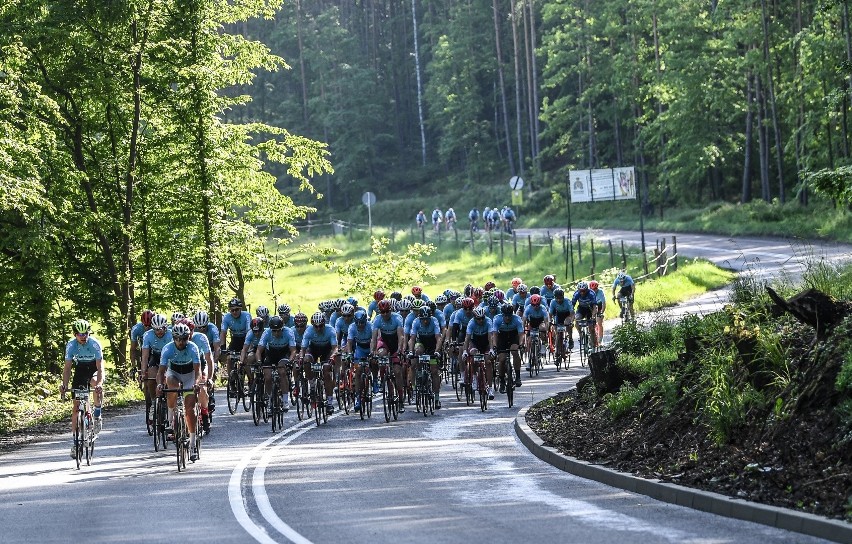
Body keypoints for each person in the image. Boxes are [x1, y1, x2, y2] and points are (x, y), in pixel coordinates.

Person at [157, 322, 203, 462]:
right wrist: (159, 384)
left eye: (184, 339)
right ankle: (171, 419)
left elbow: (198, 371)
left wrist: (196, 384)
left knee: (190, 409)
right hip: (174, 373)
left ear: (188, 338)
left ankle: (193, 443)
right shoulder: (167, 349)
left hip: (189, 375)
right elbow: (161, 371)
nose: (181, 342)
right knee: (172, 385)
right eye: (177, 338)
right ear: (173, 338)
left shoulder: (193, 348)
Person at [60, 319, 105, 458]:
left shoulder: (94, 344)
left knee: (96, 387)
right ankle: (75, 443)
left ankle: (97, 415)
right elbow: (67, 368)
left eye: (85, 333)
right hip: (81, 370)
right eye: (80, 334)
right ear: (75, 334)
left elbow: (100, 367)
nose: (83, 336)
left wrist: (99, 384)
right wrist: (64, 385)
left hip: (94, 367)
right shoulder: (71, 345)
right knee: (76, 407)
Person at [298, 312, 339, 414]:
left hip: (326, 350)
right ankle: (312, 384)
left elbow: (335, 348)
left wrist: (332, 357)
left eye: (321, 326)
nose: (318, 328)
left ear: (324, 324)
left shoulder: (330, 330)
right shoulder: (309, 331)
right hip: (314, 350)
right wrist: (301, 357)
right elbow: (303, 349)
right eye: (316, 326)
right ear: (313, 325)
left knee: (326, 372)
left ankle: (329, 403)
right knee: (306, 361)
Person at [255, 315, 297, 413]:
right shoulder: (266, 333)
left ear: (283, 328)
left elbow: (293, 351)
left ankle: (285, 401)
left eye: (279, 330)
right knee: (268, 376)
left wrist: (290, 361)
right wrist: (259, 362)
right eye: (274, 330)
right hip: (271, 354)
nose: (276, 333)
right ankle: (270, 400)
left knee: (282, 371)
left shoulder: (288, 332)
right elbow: (258, 351)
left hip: (283, 354)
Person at [140, 314, 171, 431]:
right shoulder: (147, 335)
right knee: (151, 378)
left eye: (162, 328)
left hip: (168, 358)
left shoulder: (170, 334)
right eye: (156, 329)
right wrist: (143, 372)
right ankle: (154, 402)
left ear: (166, 327)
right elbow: (145, 355)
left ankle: (169, 404)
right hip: (156, 356)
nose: (159, 331)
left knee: (168, 379)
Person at [408, 307, 444, 408]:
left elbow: (438, 338)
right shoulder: (416, 322)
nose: (425, 321)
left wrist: (437, 351)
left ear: (430, 317)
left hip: (432, 345)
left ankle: (437, 398)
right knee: (416, 356)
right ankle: (415, 390)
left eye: (427, 319)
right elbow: (412, 339)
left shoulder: (434, 321)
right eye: (422, 319)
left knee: (434, 371)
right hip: (421, 343)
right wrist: (411, 352)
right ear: (419, 318)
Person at [461, 306, 495, 400]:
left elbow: (490, 337)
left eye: (482, 318)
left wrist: (491, 349)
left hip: (486, 342)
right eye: (478, 319)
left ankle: (490, 388)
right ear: (474, 318)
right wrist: (464, 351)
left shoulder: (488, 321)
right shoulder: (471, 323)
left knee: (488, 362)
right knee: (473, 355)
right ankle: (475, 378)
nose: (480, 320)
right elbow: (467, 339)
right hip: (475, 342)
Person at [492, 303, 524, 393]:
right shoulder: (497, 319)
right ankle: (502, 381)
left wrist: (521, 344)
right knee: (501, 359)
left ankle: (518, 376)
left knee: (514, 351)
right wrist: (494, 345)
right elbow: (494, 334)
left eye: (509, 315)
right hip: (502, 337)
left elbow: (521, 334)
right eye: (505, 316)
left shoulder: (517, 319)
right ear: (502, 314)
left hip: (513, 336)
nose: (507, 318)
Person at [221, 298, 250, 381]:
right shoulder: (226, 317)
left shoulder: (246, 315)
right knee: (229, 358)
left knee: (245, 359)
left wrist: (246, 350)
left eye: (236, 309)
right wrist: (223, 347)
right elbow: (223, 333)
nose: (234, 312)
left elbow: (249, 332)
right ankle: (231, 380)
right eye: (232, 310)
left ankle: (250, 379)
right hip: (235, 340)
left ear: (240, 309)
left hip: (245, 339)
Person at [549, 288, 576, 364]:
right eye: (557, 298)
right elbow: (550, 314)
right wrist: (550, 321)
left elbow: (572, 313)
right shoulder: (553, 302)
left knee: (567, 323)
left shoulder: (567, 301)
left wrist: (571, 320)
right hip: (558, 316)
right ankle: (557, 353)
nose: (558, 300)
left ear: (563, 297)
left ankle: (570, 338)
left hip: (567, 315)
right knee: (558, 334)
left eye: (560, 298)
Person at [572, 281, 599, 350]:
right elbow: (572, 306)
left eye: (584, 291)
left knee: (591, 328)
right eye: (580, 291)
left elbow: (595, 307)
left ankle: (593, 347)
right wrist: (571, 316)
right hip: (581, 309)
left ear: (587, 289)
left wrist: (593, 317)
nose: (582, 293)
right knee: (577, 319)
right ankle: (581, 334)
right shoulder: (576, 294)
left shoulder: (591, 293)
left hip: (590, 309)